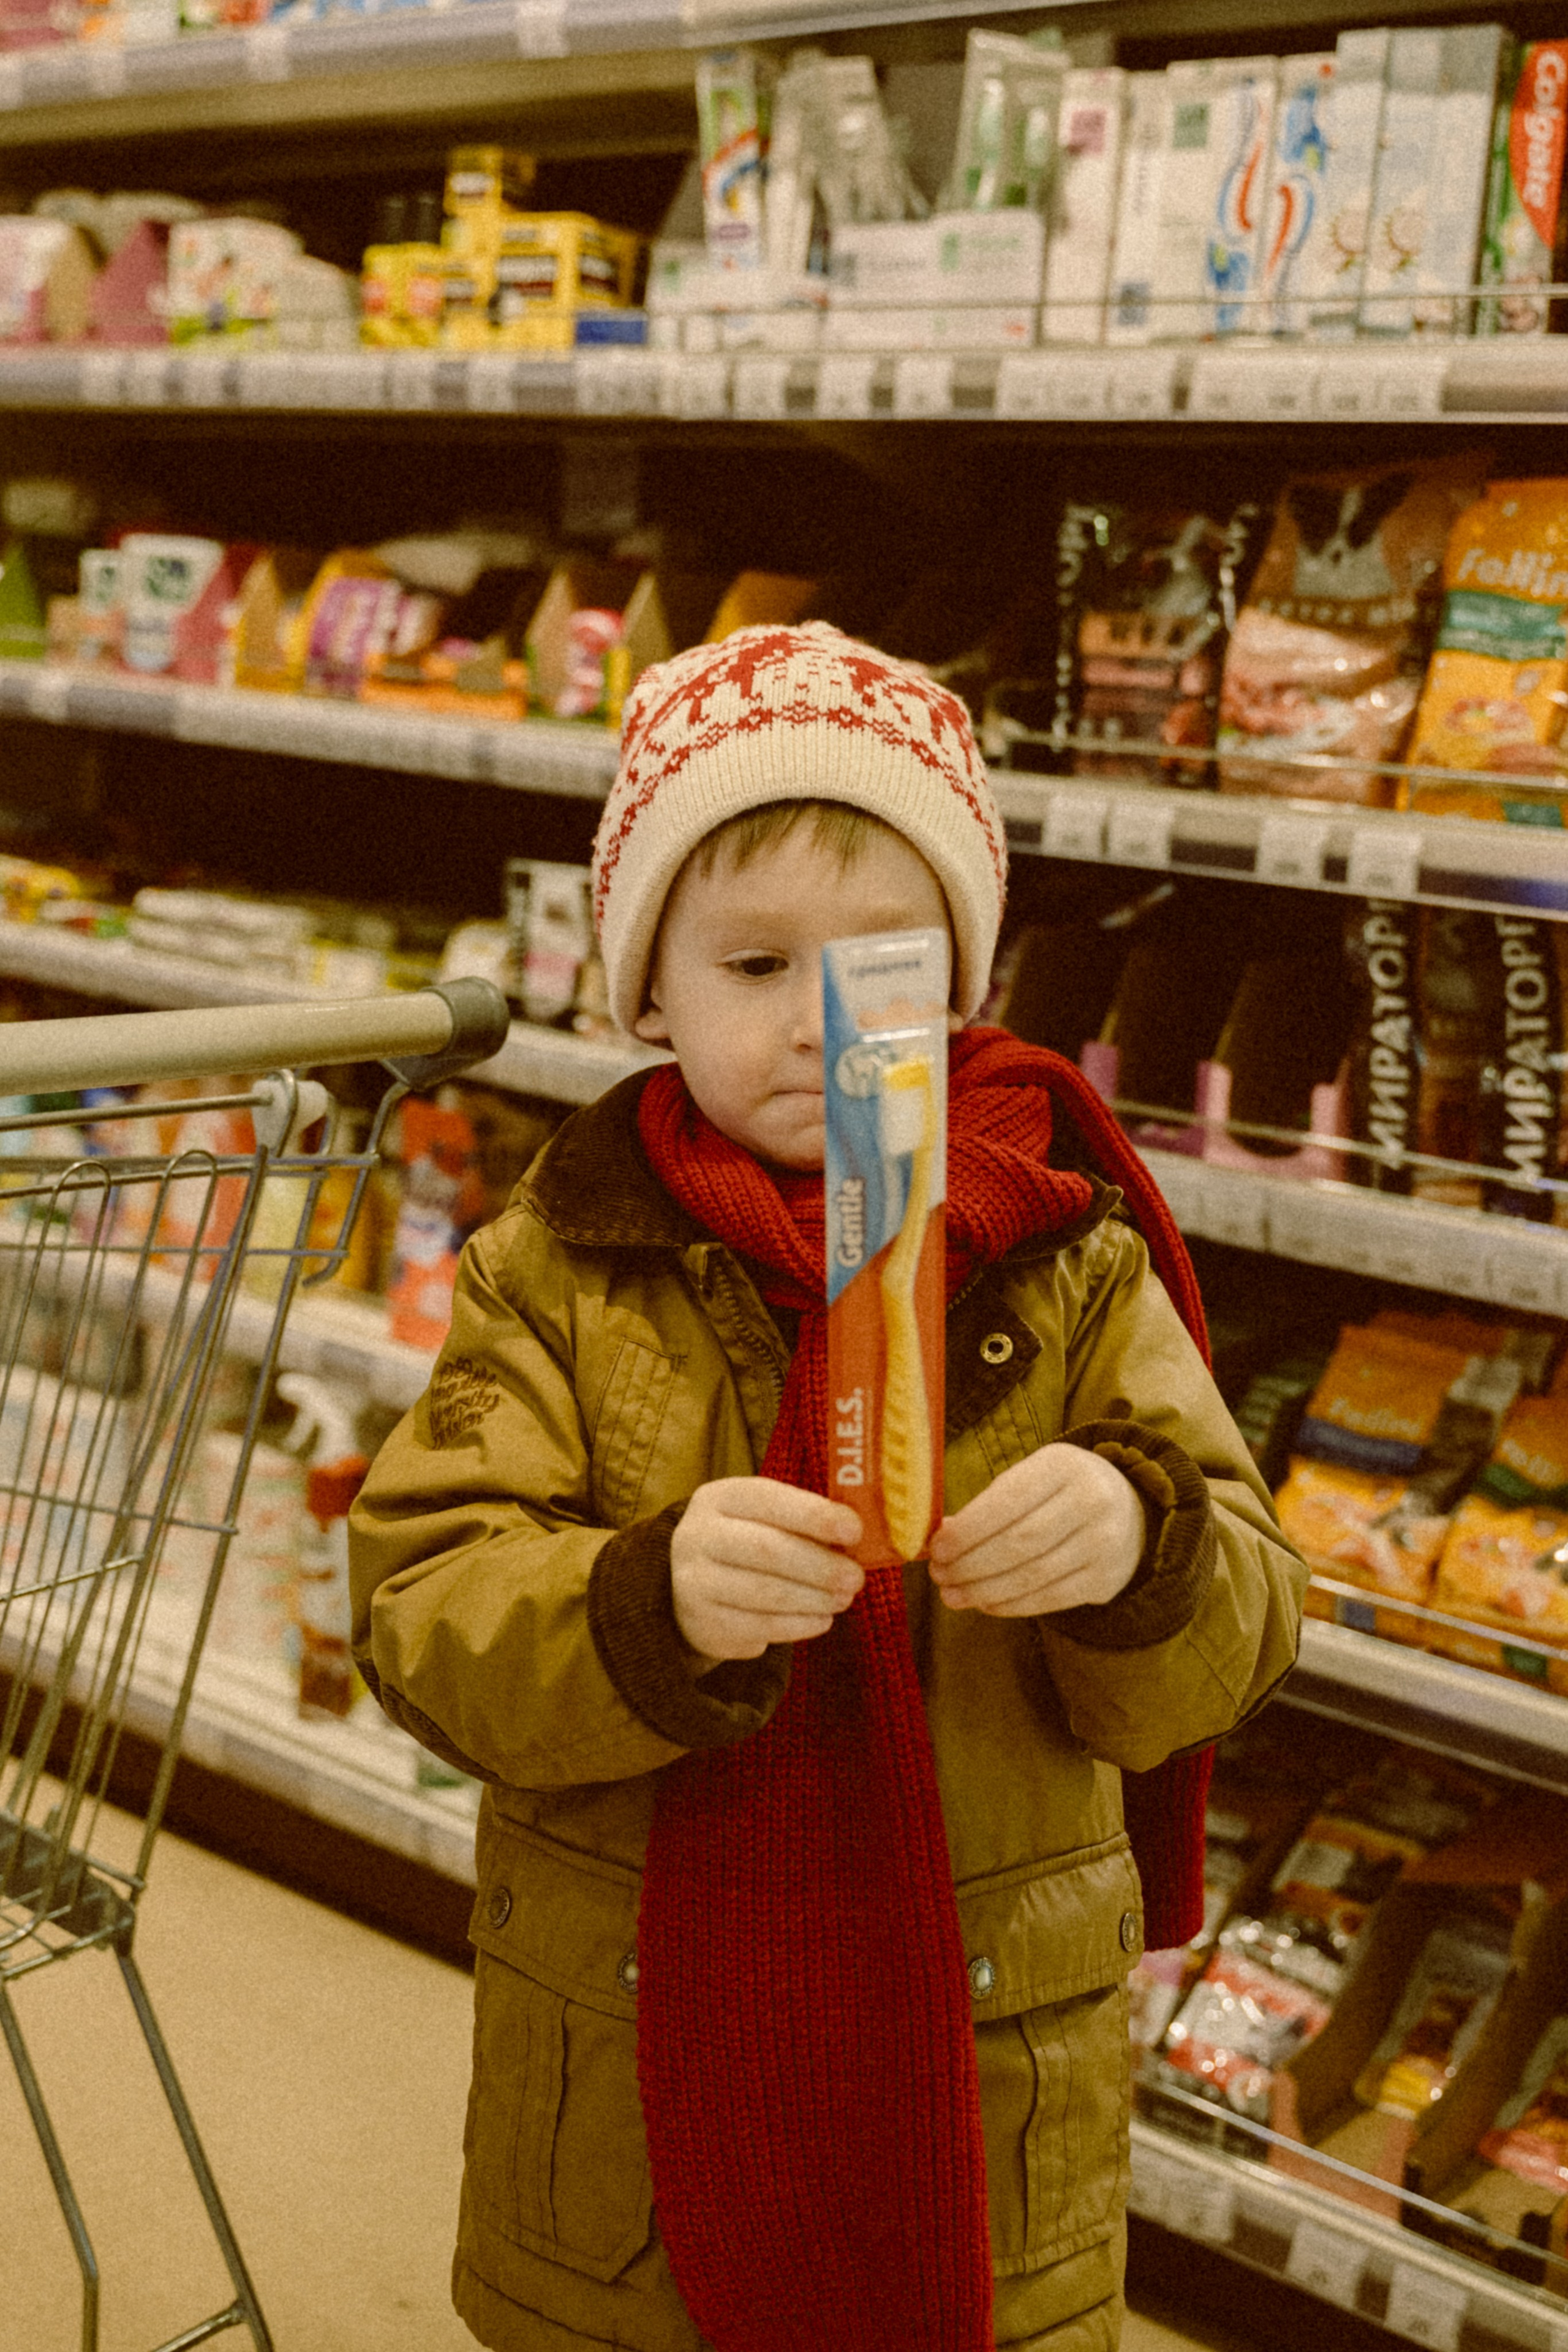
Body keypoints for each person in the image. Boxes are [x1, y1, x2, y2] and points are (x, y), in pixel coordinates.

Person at [349, 623, 1308, 2352]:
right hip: (638, 2062)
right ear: (646, 991)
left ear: (966, 984)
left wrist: (1139, 1542)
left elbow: (1242, 1621)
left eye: (883, 961)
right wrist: (637, 1605)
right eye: (753, 962)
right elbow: (422, 1608)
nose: (821, 1023)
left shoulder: (1068, 1261)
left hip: (985, 2043)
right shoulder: (558, 1266)